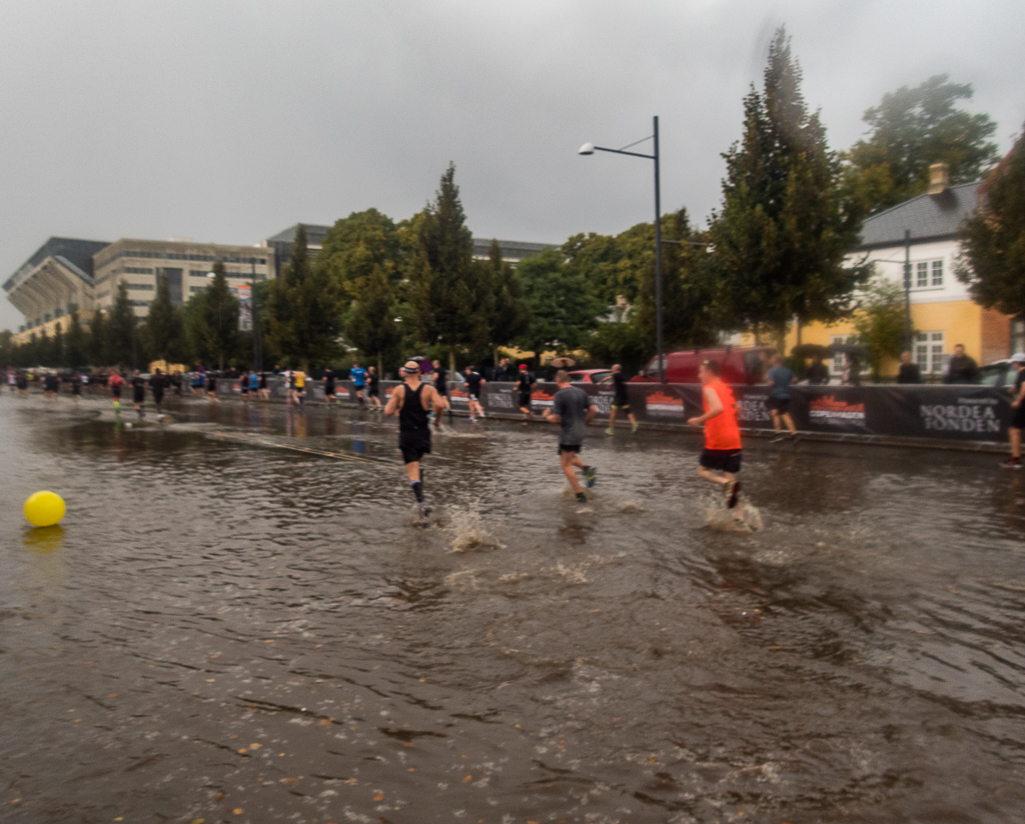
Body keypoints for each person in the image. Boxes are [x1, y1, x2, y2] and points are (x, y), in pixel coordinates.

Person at [687, 359, 746, 528]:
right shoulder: (726, 388)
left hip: (718, 440)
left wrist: (699, 420)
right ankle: (739, 519)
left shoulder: (709, 388)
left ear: (710, 372)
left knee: (703, 471)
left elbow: (718, 408)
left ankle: (724, 483)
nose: (699, 376)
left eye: (701, 372)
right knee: (732, 481)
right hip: (734, 440)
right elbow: (736, 411)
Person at [384, 360, 445, 518]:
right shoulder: (429, 389)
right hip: (423, 433)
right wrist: (437, 420)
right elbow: (440, 405)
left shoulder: (399, 390)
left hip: (407, 434)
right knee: (419, 463)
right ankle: (422, 501)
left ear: (404, 372)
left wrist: (398, 406)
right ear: (419, 373)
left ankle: (421, 505)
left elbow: (387, 412)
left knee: (412, 472)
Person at [542, 370, 597, 503]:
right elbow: (594, 410)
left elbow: (556, 418)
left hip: (569, 433)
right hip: (580, 431)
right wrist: (585, 422)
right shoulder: (581, 392)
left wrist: (546, 416)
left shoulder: (560, 395)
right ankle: (587, 469)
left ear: (557, 380)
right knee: (568, 456)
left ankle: (580, 496)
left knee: (565, 464)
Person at [765, 353, 799, 442]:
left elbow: (771, 383)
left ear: (775, 360)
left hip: (776, 394)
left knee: (775, 414)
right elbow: (795, 379)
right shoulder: (787, 370)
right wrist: (787, 382)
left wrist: (767, 380)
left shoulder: (771, 370)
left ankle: (778, 434)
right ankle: (794, 434)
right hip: (786, 394)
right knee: (785, 414)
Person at [1000, 353, 1025, 469]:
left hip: (1023, 405)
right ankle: (1016, 457)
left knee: (1014, 430)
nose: (1012, 365)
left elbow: (1024, 387)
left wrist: (1018, 401)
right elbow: (1020, 386)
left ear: (1018, 363)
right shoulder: (1020, 373)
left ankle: (1016, 458)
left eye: (1013, 363)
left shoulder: (1023, 372)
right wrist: (1013, 389)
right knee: (1016, 430)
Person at [606, 363, 638, 435]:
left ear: (616, 369)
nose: (611, 370)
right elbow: (617, 382)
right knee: (627, 410)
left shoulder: (615, 375)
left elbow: (608, 378)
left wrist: (602, 381)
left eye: (612, 368)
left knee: (613, 411)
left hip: (618, 396)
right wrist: (611, 384)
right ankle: (634, 424)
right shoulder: (621, 375)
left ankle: (610, 429)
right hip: (624, 395)